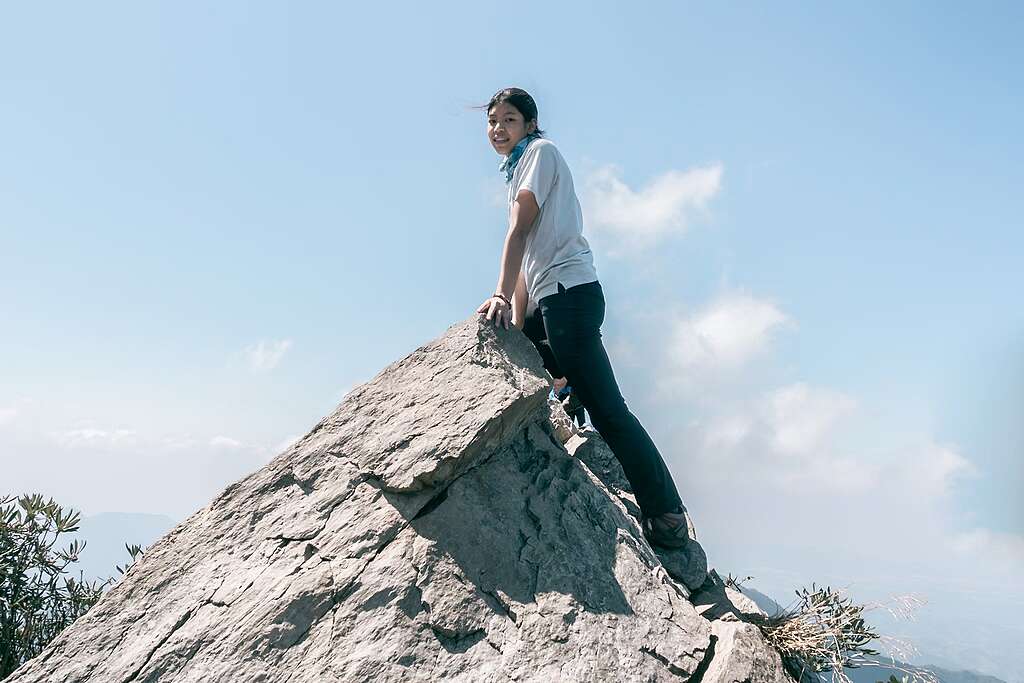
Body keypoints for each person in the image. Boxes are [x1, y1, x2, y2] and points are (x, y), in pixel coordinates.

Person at [474, 87, 691, 549]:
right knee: (531, 346)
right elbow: (529, 262)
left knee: (610, 412)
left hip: (569, 298)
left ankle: (667, 513)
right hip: (554, 298)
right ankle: (564, 396)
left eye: (509, 119)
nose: (498, 128)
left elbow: (519, 230)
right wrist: (513, 319)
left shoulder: (539, 152)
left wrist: (497, 293)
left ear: (529, 124)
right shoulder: (518, 167)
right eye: (492, 121)